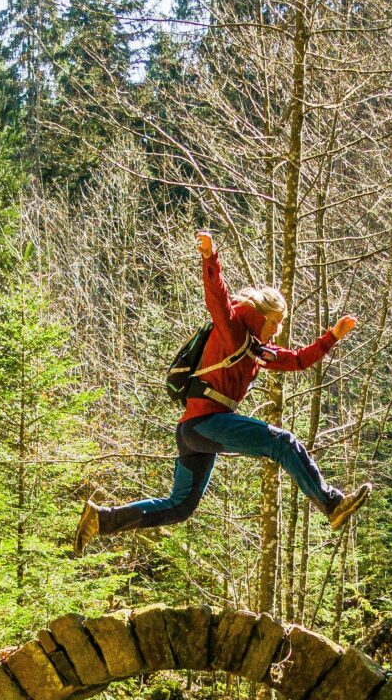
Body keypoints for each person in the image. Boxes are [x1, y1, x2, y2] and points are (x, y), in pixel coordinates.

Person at [75, 230, 371, 553]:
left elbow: (297, 360)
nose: (276, 331)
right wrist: (209, 257)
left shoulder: (256, 350)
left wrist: (332, 337)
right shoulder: (231, 329)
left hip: (194, 431)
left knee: (180, 506)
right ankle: (332, 504)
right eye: (274, 323)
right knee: (283, 444)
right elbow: (216, 295)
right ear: (259, 313)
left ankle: (101, 520)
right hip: (205, 422)